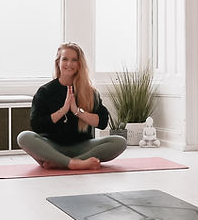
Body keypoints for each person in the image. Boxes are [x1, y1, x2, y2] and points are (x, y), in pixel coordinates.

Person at [17, 42, 127, 170]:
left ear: (80, 64)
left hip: (83, 146)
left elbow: (102, 122)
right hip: (52, 146)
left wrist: (77, 111)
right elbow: (36, 125)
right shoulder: (45, 91)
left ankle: (62, 162)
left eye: (74, 60)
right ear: (58, 62)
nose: (69, 64)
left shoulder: (90, 92)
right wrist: (63, 110)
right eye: (65, 59)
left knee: (120, 142)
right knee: (24, 137)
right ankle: (73, 163)